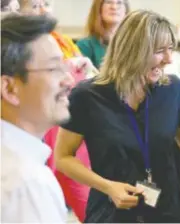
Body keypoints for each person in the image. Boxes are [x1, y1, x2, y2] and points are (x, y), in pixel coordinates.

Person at [53, 10, 180, 223]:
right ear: (132, 49)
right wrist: (108, 187)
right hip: (111, 214)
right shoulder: (87, 96)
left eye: (170, 49)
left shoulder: (172, 89)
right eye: (160, 50)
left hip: (167, 212)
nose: (169, 59)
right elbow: (63, 158)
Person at [18, 0, 98, 221]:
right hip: (38, 128)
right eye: (35, 5)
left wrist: (78, 66)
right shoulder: (16, 46)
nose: (43, 9)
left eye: (47, 3)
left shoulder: (59, 41)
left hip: (66, 127)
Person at [1, 14, 74, 222]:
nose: (69, 80)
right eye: (54, 69)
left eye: (65, 66)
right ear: (10, 88)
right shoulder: (27, 183)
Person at [76, 0, 129, 68]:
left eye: (119, 2)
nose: (114, 7)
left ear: (126, 11)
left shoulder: (134, 44)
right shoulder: (85, 45)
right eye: (108, 2)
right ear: (99, 8)